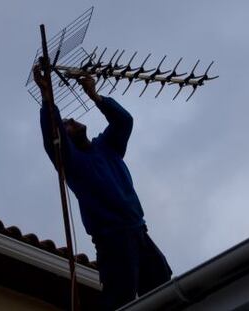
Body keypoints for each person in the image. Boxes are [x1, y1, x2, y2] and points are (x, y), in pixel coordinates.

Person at [33, 64, 172, 310]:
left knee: (161, 281)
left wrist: (95, 96)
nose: (72, 121)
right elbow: (52, 139)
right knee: (121, 301)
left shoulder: (107, 146)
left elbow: (124, 121)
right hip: (113, 240)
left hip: (138, 231)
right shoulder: (73, 162)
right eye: (66, 124)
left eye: (70, 119)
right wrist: (47, 99)